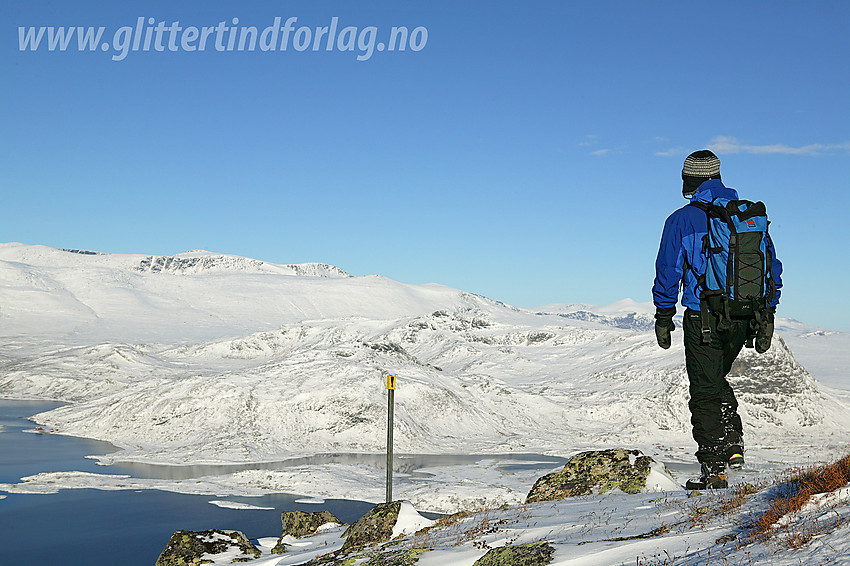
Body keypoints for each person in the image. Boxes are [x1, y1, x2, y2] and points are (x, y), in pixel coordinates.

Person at [652, 150, 782, 490]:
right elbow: (772, 268)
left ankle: (713, 469)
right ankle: (733, 444)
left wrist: (664, 315)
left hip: (704, 318)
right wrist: (767, 314)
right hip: (745, 318)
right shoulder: (748, 216)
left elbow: (668, 271)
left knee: (705, 390)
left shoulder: (682, 220)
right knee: (714, 376)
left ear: (690, 180)